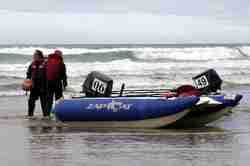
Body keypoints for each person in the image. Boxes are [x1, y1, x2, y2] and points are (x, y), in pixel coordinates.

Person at [26, 50, 48, 117]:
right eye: (34, 55)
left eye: (35, 55)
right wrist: (27, 81)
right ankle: (30, 115)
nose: (34, 56)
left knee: (44, 103)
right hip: (34, 86)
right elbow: (28, 74)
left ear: (39, 56)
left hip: (43, 86)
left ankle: (46, 116)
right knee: (31, 101)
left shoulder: (45, 64)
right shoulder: (32, 64)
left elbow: (48, 75)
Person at [46, 50, 67, 114]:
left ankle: (47, 114)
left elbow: (44, 72)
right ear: (60, 55)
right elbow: (64, 75)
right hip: (57, 82)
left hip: (49, 82)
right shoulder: (61, 62)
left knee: (49, 99)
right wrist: (65, 83)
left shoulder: (48, 61)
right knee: (58, 99)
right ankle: (58, 113)